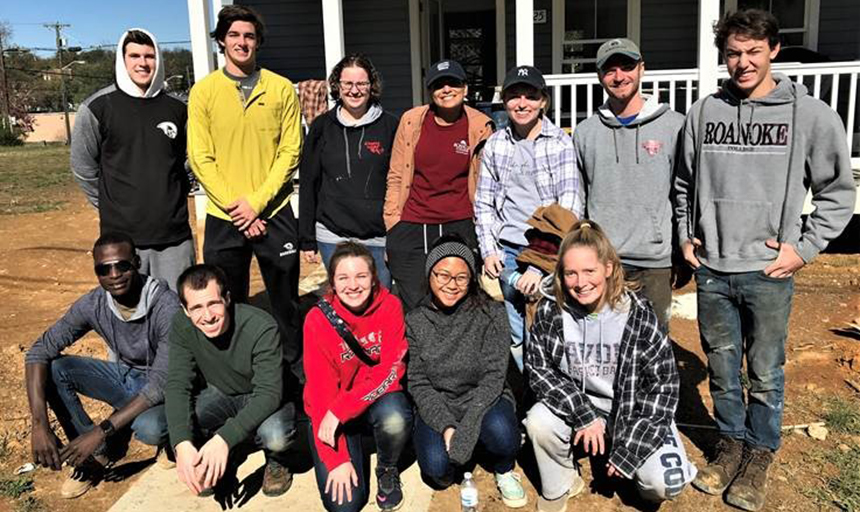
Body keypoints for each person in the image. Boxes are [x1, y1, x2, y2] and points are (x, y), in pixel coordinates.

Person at [674, 10, 856, 511]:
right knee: (723, 367)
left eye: (754, 51)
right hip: (714, 267)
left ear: (773, 50)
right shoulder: (704, 113)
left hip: (768, 270)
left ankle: (760, 455)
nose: (743, 62)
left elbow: (837, 192)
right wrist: (686, 237)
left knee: (766, 370)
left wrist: (806, 246)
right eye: (734, 53)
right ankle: (730, 446)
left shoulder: (810, 115)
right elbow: (684, 184)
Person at [525, 221, 696, 512]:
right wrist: (583, 414)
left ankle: (636, 478)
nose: (580, 282)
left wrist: (630, 451)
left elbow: (663, 387)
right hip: (581, 407)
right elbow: (539, 370)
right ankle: (562, 481)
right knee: (538, 421)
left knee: (666, 481)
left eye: (590, 271)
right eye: (571, 273)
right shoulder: (551, 310)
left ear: (608, 268)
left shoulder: (637, 313)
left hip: (631, 409)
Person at [187, 5, 304, 393]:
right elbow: (200, 157)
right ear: (221, 40)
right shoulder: (203, 92)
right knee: (223, 301)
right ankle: (232, 379)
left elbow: (290, 150)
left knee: (285, 303)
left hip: (275, 212)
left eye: (249, 36)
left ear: (258, 41)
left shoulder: (281, 88)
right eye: (234, 35)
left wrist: (258, 202)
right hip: (225, 217)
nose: (242, 42)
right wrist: (239, 208)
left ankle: (292, 376)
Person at [25, 233, 179, 499]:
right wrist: (39, 424)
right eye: (104, 269)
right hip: (127, 377)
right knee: (54, 369)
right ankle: (94, 457)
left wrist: (102, 430)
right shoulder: (94, 303)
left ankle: (171, 440)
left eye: (122, 265)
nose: (114, 274)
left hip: (168, 387)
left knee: (149, 429)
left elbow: (160, 384)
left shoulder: (165, 305)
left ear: (137, 263)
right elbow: (38, 351)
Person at [407, 234, 527, 509]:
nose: (451, 285)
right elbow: (419, 382)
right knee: (437, 470)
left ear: (472, 278)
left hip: (484, 398)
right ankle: (459, 458)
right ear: (430, 274)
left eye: (461, 277)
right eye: (443, 275)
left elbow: (494, 376)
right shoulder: (415, 320)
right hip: (440, 400)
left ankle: (504, 468)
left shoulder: (492, 313)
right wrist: (448, 427)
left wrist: (468, 429)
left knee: (503, 435)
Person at [476, 65, 582, 371]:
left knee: (545, 330)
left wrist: (539, 263)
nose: (522, 103)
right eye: (513, 96)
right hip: (507, 251)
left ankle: (548, 403)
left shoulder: (559, 142)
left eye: (530, 96)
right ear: (504, 101)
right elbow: (483, 201)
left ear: (543, 101)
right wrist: (488, 249)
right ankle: (526, 400)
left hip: (547, 254)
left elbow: (568, 207)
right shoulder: (497, 143)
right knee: (515, 333)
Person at [574, 38, 684, 331]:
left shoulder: (674, 126)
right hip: (604, 260)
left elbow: (684, 193)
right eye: (610, 70)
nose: (619, 76)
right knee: (605, 341)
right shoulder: (585, 133)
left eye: (627, 66)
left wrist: (681, 247)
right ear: (599, 76)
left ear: (642, 69)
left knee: (654, 342)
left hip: (654, 260)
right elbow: (580, 197)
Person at [71, 29, 193, 291]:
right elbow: (83, 167)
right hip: (121, 241)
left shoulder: (179, 108)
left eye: (149, 56)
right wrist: (110, 203)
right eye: (134, 55)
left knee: (176, 315)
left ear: (158, 59)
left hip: (173, 238)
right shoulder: (97, 108)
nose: (143, 63)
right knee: (131, 317)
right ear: (122, 59)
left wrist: (172, 195)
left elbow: (189, 159)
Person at [165, 264, 297, 498]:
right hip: (223, 394)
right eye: (196, 307)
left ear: (226, 298)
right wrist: (182, 443)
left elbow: (269, 394)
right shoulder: (182, 326)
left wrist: (225, 437)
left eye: (213, 303)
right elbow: (177, 384)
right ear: (185, 310)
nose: (207, 316)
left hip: (264, 396)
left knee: (275, 436)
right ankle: (221, 456)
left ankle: (277, 460)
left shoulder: (260, 326)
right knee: (180, 424)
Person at [303, 242, 412, 511]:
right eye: (343, 278)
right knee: (345, 505)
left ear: (373, 278)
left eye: (361, 276)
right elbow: (319, 396)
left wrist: (343, 408)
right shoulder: (317, 321)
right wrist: (336, 458)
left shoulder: (390, 306)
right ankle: (352, 446)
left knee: (396, 415)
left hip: (364, 403)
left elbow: (391, 371)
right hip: (329, 411)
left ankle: (386, 467)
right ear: (332, 282)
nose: (353, 285)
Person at [384, 59, 494, 311]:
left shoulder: (480, 126)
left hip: (460, 222)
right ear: (430, 92)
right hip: (413, 223)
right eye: (438, 85)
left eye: (453, 83)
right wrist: (393, 224)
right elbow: (396, 175)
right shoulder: (412, 120)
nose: (446, 89)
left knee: (456, 297)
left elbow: (488, 180)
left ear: (465, 88)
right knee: (414, 300)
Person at [299, 54, 399, 288]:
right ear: (337, 86)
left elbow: (400, 183)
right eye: (347, 84)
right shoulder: (321, 127)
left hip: (378, 237)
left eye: (362, 84)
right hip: (332, 236)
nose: (355, 90)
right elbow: (309, 182)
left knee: (379, 300)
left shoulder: (391, 126)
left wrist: (398, 236)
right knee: (345, 301)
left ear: (371, 86)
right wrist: (306, 239)